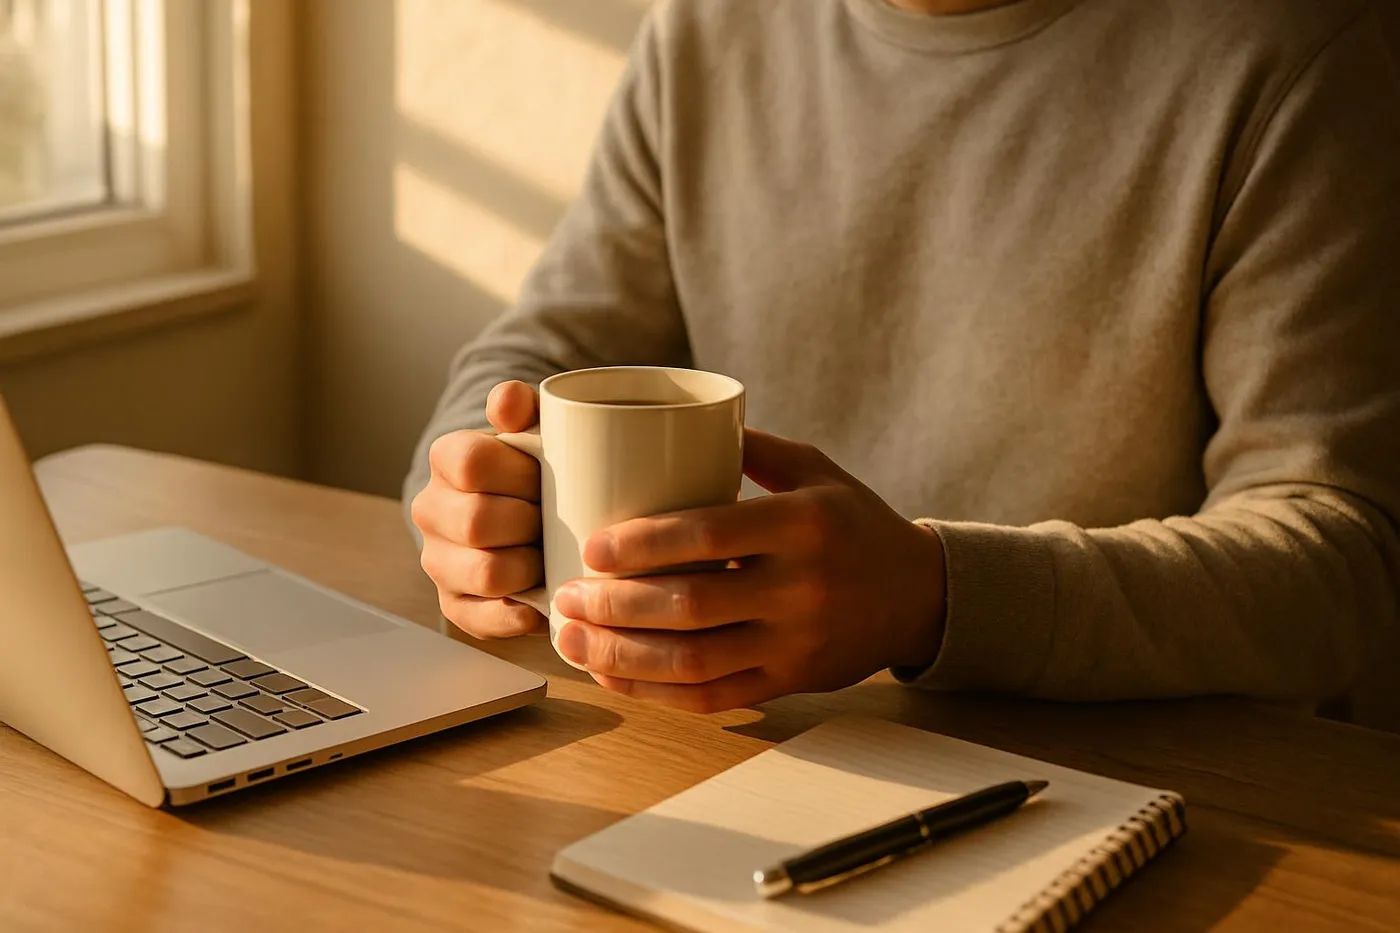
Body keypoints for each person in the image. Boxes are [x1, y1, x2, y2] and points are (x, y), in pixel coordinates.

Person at [404, 0, 1400, 720]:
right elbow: (540, 354)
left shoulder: (1298, 50)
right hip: (745, 744)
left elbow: (1345, 566)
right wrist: (469, 486)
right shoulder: (708, 29)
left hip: (1129, 774)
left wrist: (935, 598)